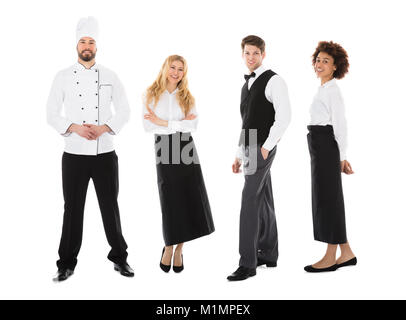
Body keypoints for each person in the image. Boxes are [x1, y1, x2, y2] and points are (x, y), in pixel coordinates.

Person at [47, 17, 134, 282]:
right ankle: (66, 263)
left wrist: (104, 127)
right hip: (73, 154)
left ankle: (120, 258)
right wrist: (73, 126)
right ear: (77, 45)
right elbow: (51, 114)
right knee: (72, 209)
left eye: (91, 42)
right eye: (83, 41)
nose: (87, 46)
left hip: (104, 153)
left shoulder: (110, 75)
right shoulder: (62, 76)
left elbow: (125, 110)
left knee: (110, 206)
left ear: (97, 46)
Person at [227, 35, 291, 281]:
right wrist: (238, 153)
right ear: (242, 55)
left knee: (249, 201)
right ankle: (268, 254)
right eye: (247, 53)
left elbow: (284, 117)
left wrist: (266, 147)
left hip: (261, 147)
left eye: (255, 53)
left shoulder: (275, 80)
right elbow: (247, 123)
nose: (251, 57)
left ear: (263, 54)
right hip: (250, 146)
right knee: (263, 198)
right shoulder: (247, 85)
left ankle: (248, 263)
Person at [143, 55, 215, 273]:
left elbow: (193, 125)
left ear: (185, 73)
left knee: (189, 196)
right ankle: (168, 246)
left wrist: (164, 122)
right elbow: (148, 127)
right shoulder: (151, 94)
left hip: (185, 147)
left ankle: (180, 249)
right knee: (170, 198)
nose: (176, 72)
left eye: (180, 69)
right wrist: (178, 124)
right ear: (165, 68)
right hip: (164, 147)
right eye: (172, 67)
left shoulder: (187, 97)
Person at [305, 41, 357, 272]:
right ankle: (345, 252)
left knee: (327, 200)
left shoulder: (333, 90)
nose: (320, 64)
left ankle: (330, 255)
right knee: (327, 197)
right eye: (318, 59)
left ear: (335, 66)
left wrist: (342, 157)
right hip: (319, 145)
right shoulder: (323, 89)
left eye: (326, 61)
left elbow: (340, 125)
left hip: (327, 146)